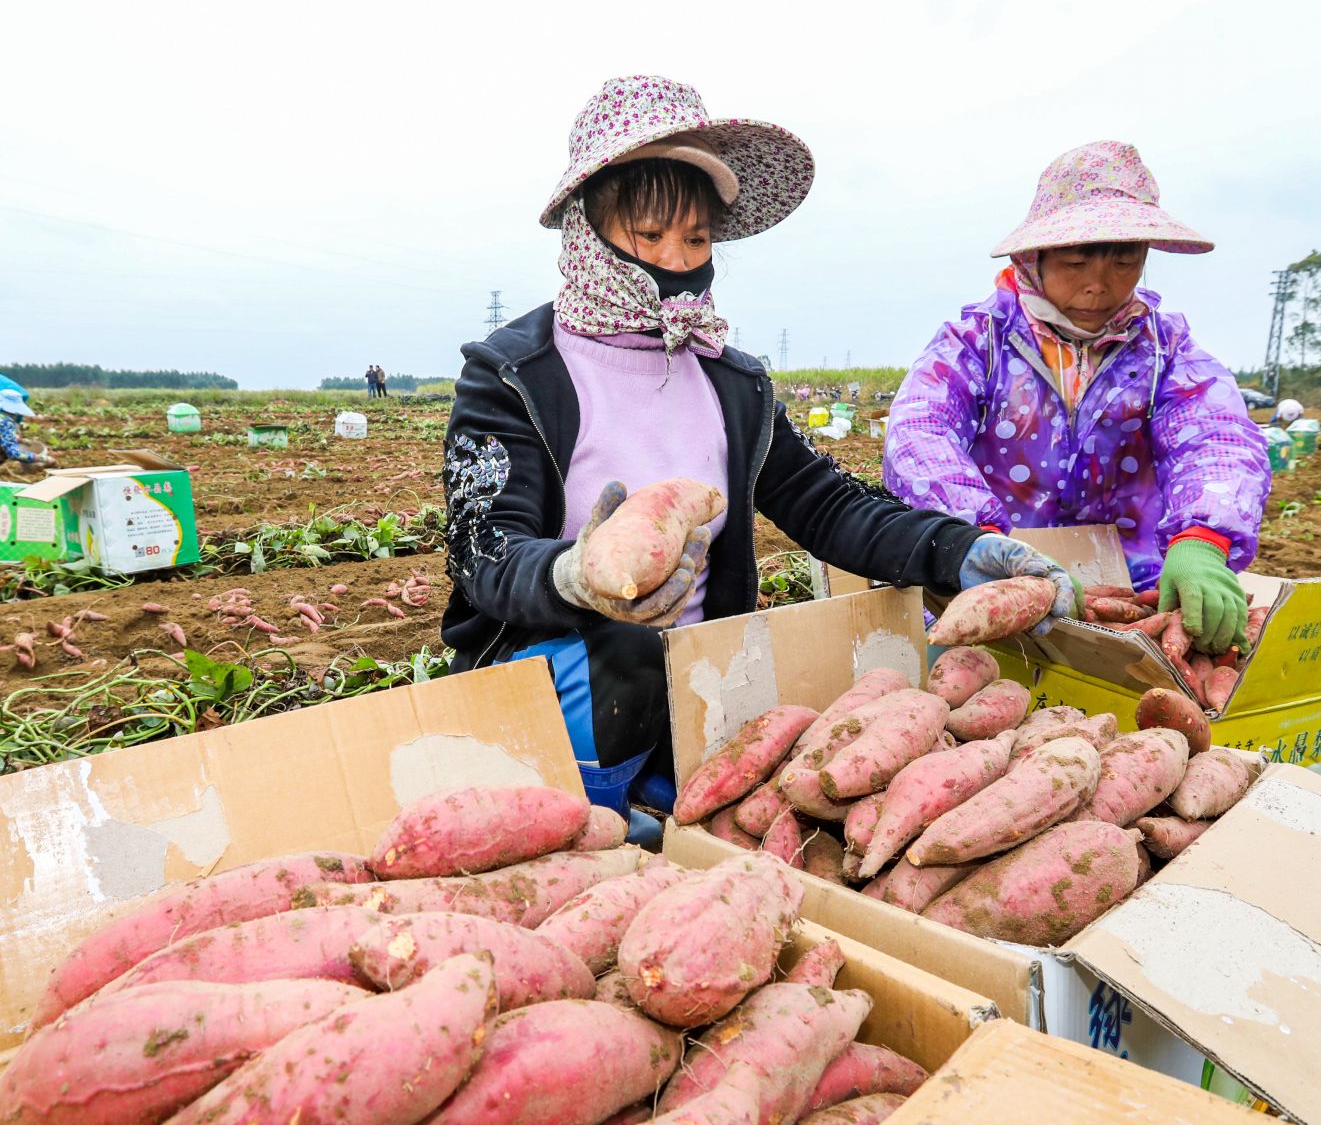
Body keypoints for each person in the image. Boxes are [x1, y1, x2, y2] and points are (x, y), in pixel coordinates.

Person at [441, 74, 1076, 837]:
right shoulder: (515, 374)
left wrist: (961, 551)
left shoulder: (730, 379)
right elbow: (487, 556)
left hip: (697, 686)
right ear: (590, 226)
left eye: (697, 239)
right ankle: (590, 818)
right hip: (557, 685)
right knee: (625, 651)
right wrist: (576, 574)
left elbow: (828, 505)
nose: (676, 260)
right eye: (649, 236)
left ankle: (670, 802)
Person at [884, 141, 1270, 656]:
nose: (1098, 285)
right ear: (1033, 258)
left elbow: (1215, 437)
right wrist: (981, 538)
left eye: (1124, 261)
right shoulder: (980, 343)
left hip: (1134, 594)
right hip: (998, 585)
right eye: (1076, 261)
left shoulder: (1163, 350)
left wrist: (1203, 536)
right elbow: (919, 433)